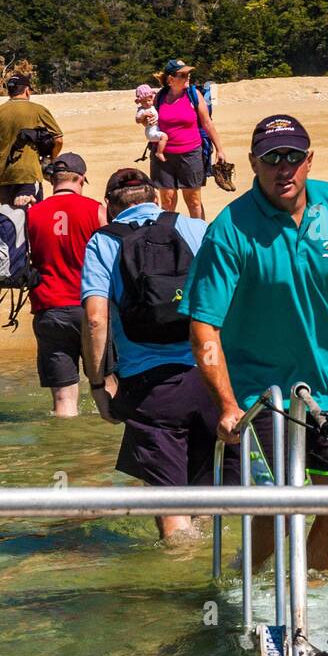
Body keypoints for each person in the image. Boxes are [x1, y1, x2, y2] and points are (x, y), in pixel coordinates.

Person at [181, 115, 328, 573]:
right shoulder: (229, 230)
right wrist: (226, 404)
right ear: (253, 163)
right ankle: (241, 590)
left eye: (293, 157)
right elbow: (204, 326)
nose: (283, 168)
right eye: (271, 158)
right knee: (276, 514)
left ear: (309, 160)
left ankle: (315, 600)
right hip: (261, 397)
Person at [81, 168, 237, 543]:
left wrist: (99, 384)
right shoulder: (196, 228)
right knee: (208, 497)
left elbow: (95, 320)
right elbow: (232, 296)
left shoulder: (103, 243)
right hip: (211, 379)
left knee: (170, 507)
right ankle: (210, 591)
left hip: (150, 391)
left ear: (108, 208)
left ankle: (175, 585)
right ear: (157, 198)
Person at [25, 153, 106, 417]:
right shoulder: (96, 209)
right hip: (92, 307)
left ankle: (64, 450)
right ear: (81, 179)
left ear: (53, 181)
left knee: (63, 401)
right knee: (107, 390)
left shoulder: (32, 213)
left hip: (50, 310)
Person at [150, 59, 226, 219]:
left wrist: (219, 150)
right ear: (171, 79)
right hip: (163, 157)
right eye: (183, 74)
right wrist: (146, 120)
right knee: (167, 200)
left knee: (193, 200)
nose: (188, 77)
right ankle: (166, 236)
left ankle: (198, 236)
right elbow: (151, 122)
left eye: (188, 74)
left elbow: (207, 124)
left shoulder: (194, 95)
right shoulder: (160, 97)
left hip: (191, 154)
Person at [0, 73, 63, 207]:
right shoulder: (38, 110)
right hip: (28, 174)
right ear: (27, 90)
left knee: (11, 220)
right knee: (32, 219)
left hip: (3, 176)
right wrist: (51, 159)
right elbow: (58, 139)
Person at [132, 83, 167, 162]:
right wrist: (143, 115)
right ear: (140, 101)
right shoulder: (142, 110)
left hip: (156, 129)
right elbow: (137, 120)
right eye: (144, 101)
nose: (147, 103)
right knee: (164, 137)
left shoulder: (153, 106)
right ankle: (159, 152)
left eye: (149, 100)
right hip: (151, 131)